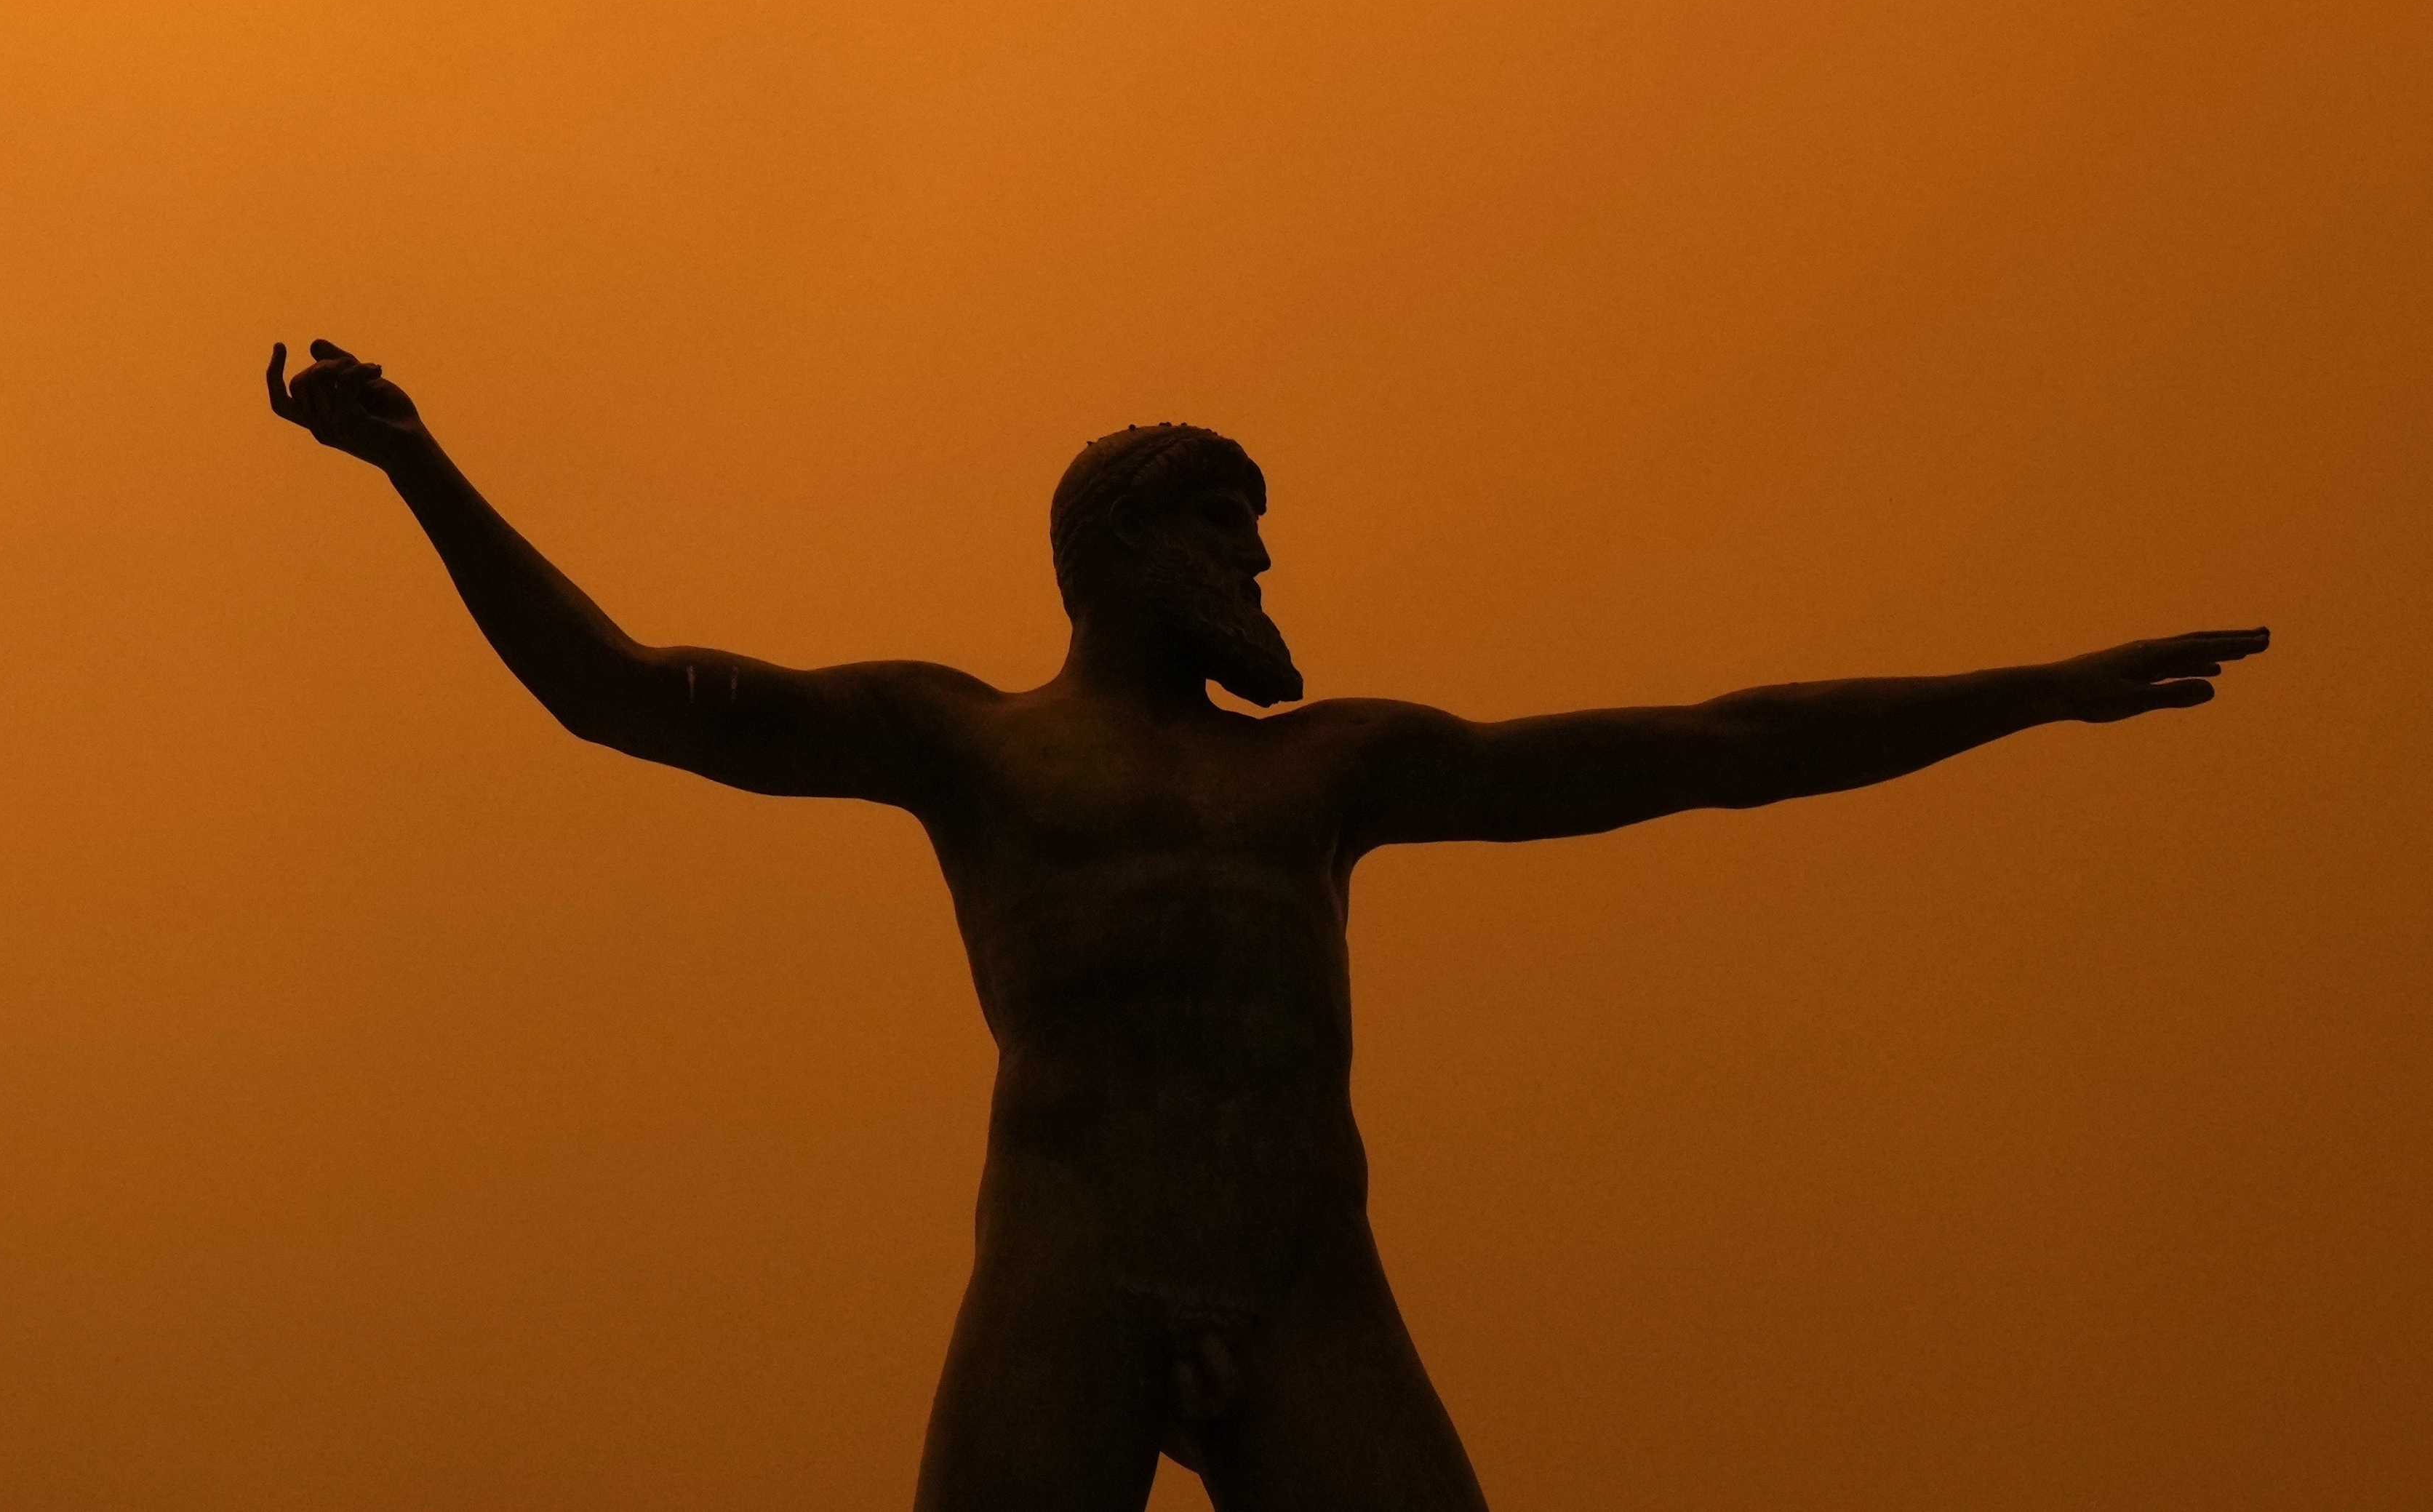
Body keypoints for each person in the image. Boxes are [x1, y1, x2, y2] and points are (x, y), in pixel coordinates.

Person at [265, 339, 2266, 1511]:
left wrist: (2030, 690)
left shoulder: (1331, 767)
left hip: (1310, 1283)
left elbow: (1711, 747)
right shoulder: (961, 740)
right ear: (1126, 551)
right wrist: (420, 462)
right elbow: (622, 689)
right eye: (1228, 531)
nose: (1262, 564)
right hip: (1074, 1266)